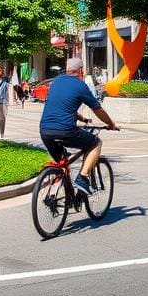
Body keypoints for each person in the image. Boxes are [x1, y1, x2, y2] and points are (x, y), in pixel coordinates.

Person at [39, 56, 119, 196]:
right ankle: (82, 178)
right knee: (95, 143)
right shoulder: (80, 85)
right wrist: (111, 124)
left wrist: (82, 118)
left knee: (62, 164)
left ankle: (59, 192)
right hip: (66, 130)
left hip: (45, 131)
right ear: (81, 70)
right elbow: (97, 109)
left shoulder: (56, 82)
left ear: (68, 69)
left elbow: (64, 105)